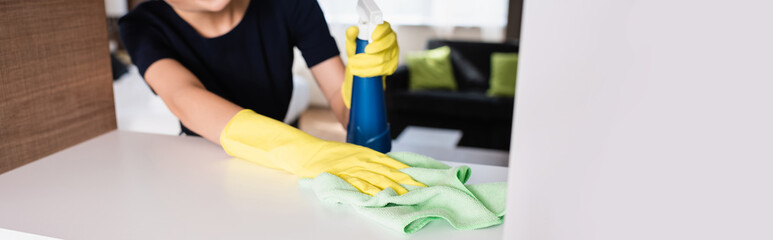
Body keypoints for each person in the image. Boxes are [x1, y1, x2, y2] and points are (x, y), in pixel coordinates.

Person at [119, 0, 424, 196]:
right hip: (200, 171)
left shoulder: (290, 4)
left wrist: (368, 77)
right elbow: (183, 97)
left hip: (279, 175)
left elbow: (345, 109)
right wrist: (304, 151)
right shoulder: (142, 25)